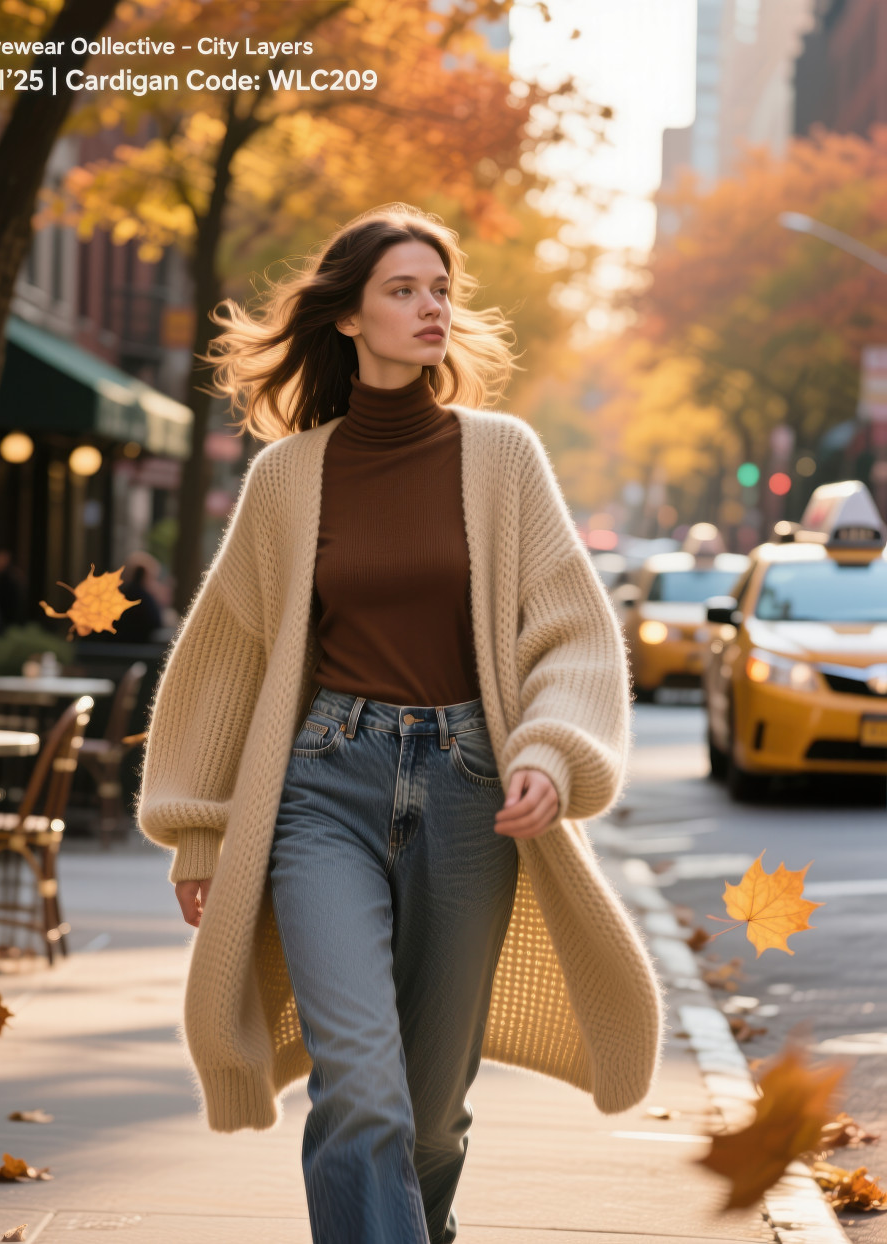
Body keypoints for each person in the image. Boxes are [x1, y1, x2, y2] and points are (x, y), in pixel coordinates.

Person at [135, 204, 665, 1244]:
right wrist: (200, 825)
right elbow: (230, 654)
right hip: (323, 786)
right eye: (402, 290)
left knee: (427, 1112)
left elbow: (571, 631)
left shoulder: (502, 457)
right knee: (360, 1089)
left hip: (473, 792)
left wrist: (552, 752)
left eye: (439, 289)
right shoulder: (288, 476)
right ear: (348, 317)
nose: (430, 308)